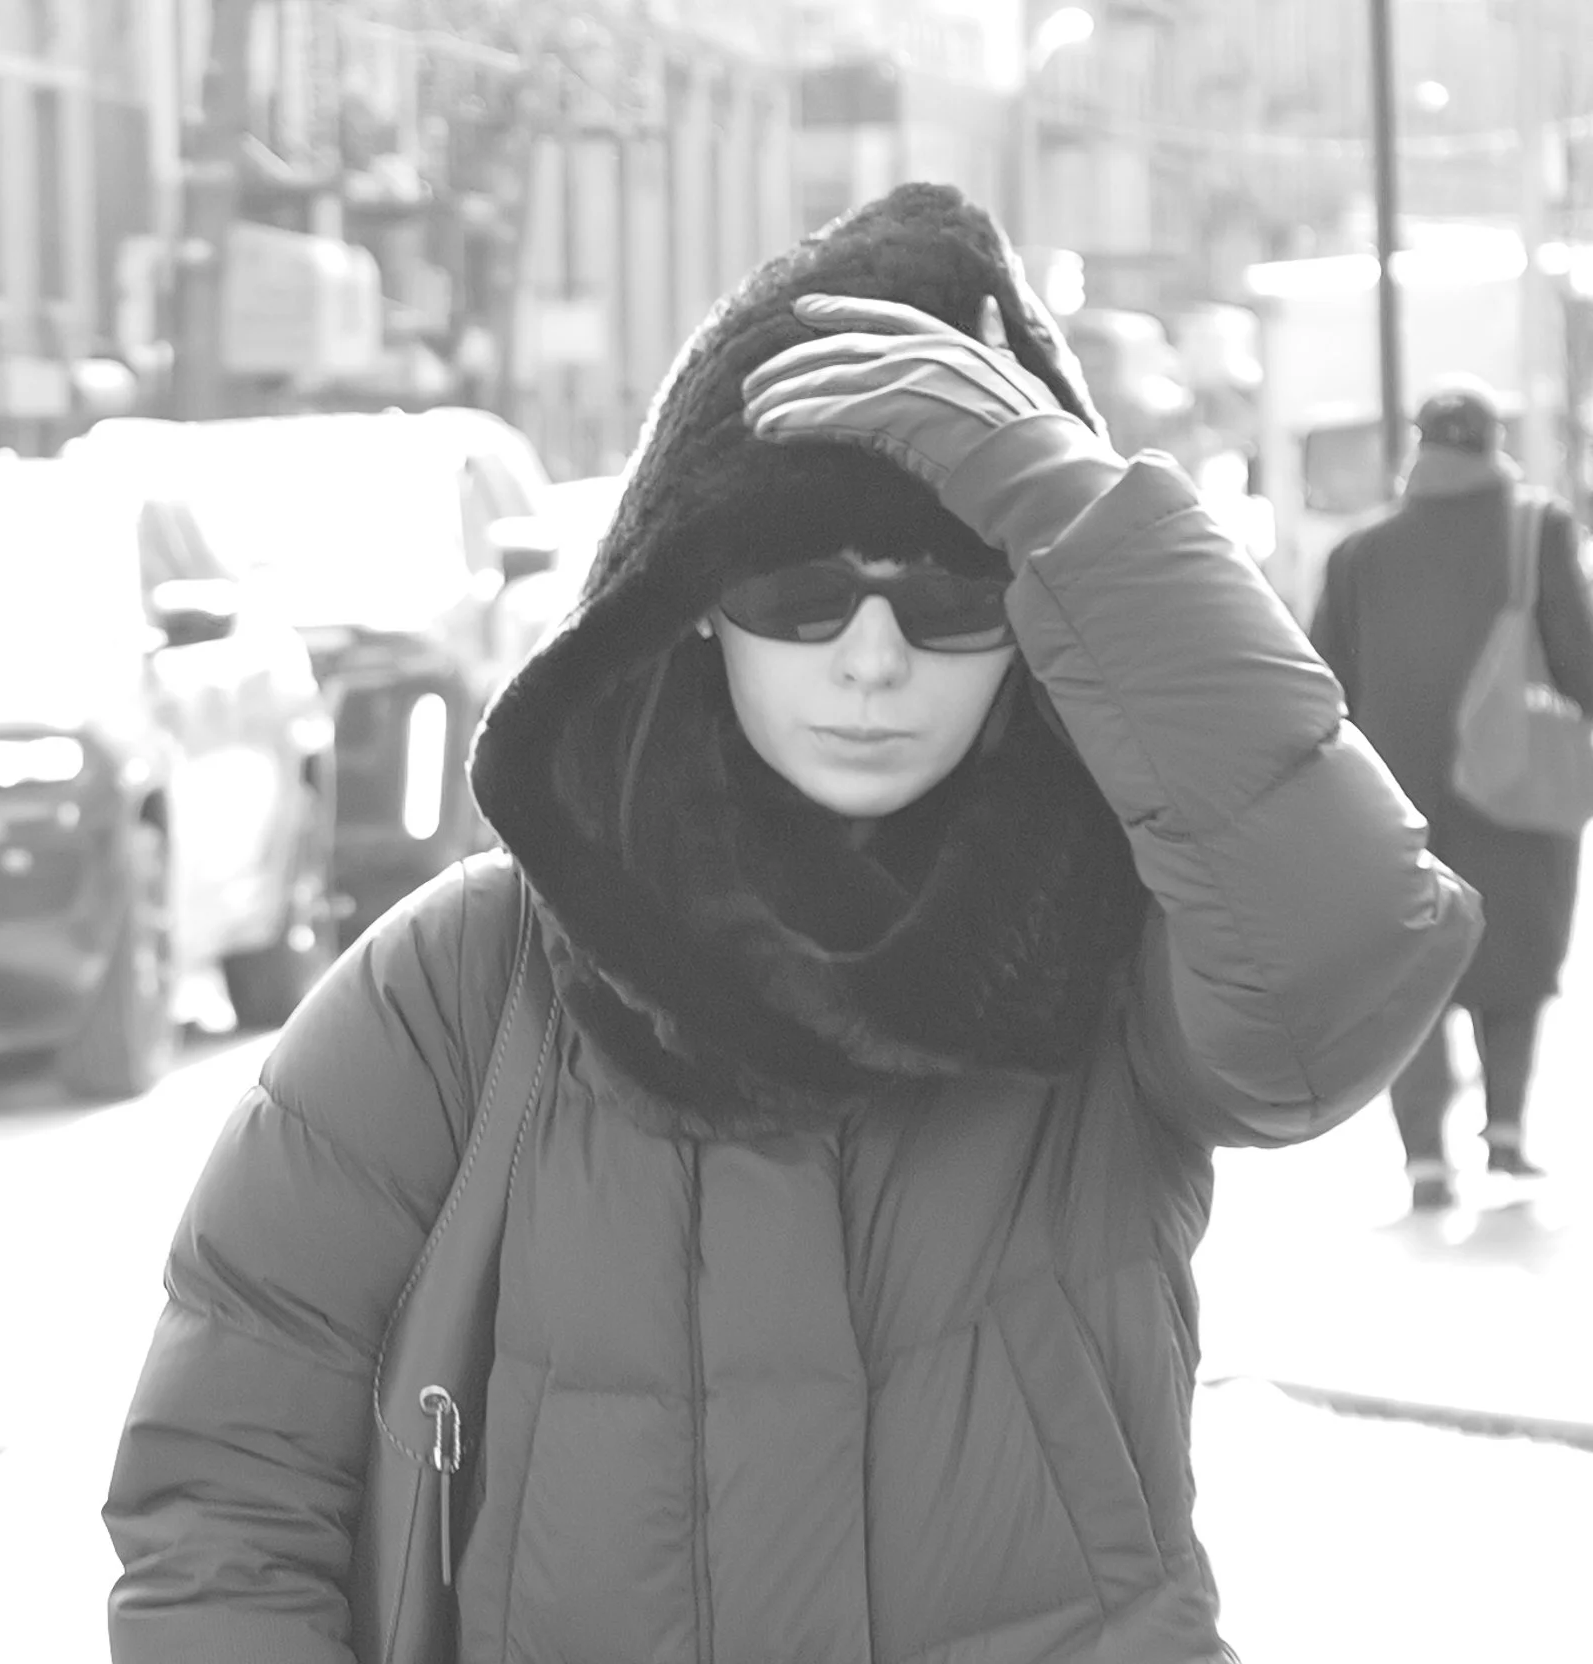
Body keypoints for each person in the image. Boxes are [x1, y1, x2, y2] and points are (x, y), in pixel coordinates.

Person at [105, 184, 1479, 1662]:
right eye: (802, 589)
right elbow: (227, 1499)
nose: (873, 659)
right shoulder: (466, 983)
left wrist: (1069, 503)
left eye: (952, 595)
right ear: (693, 602)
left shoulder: (1110, 962)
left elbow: (1347, 967)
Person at [1309, 378, 1593, 1212]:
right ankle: (1505, 1138)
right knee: (1517, 949)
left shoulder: (1358, 556)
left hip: (1397, 803)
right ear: (1493, 444)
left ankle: (1424, 1158)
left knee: (1417, 969)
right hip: (1516, 788)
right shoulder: (1536, 530)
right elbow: (1579, 660)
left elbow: (1325, 688)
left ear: (1418, 448)